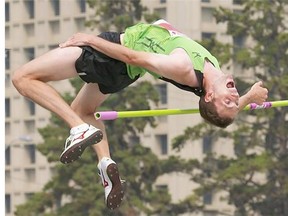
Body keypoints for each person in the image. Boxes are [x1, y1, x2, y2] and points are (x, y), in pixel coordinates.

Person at [12, 19, 268, 210]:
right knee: (84, 110)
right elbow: (225, 110)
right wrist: (248, 98)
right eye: (234, 100)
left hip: (112, 53)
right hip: (122, 73)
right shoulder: (212, 71)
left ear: (209, 96)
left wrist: (89, 39)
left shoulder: (183, 66)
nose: (234, 98)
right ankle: (105, 164)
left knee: (23, 78)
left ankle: (77, 128)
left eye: (230, 100)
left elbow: (131, 56)